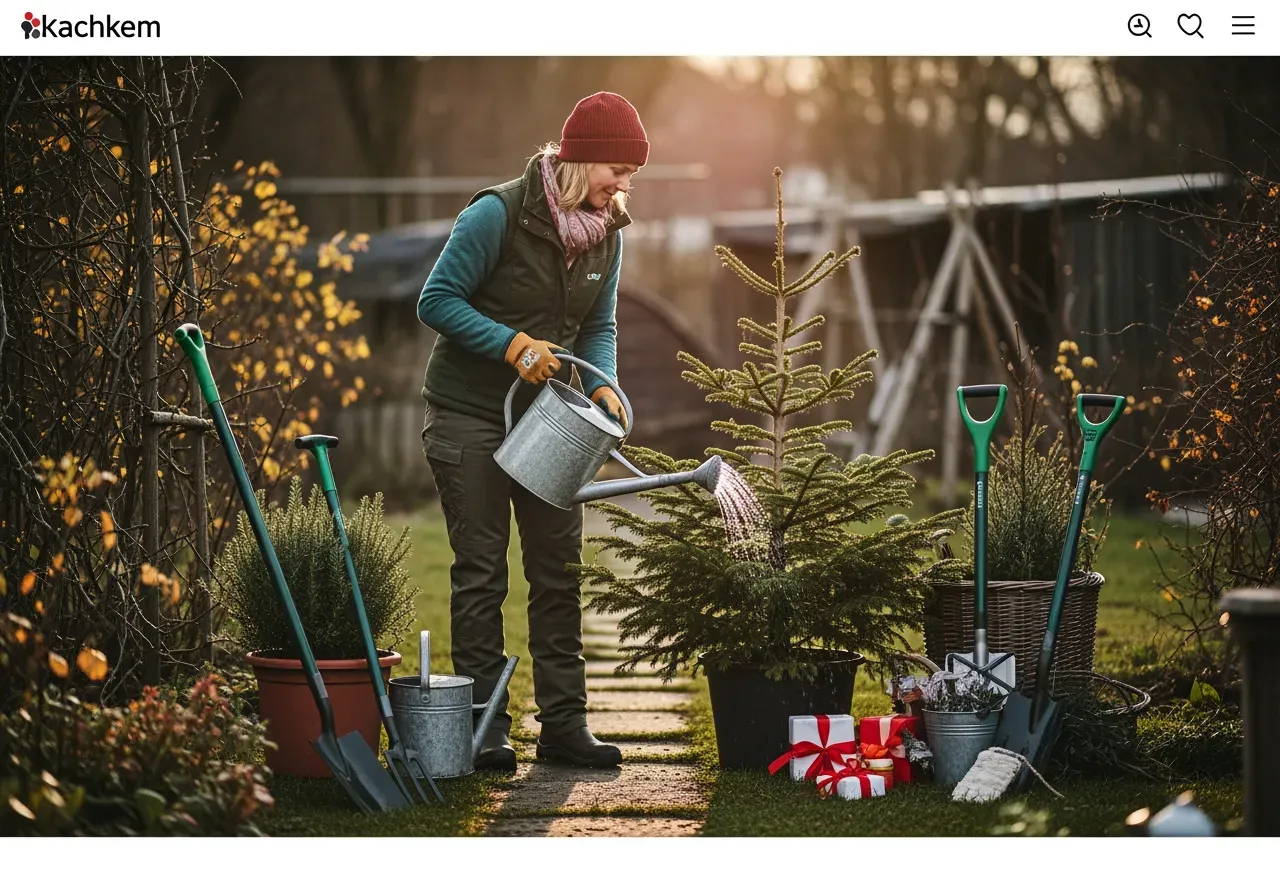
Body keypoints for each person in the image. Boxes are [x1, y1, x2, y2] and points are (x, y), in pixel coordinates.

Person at [416, 92, 646, 770]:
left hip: (550, 417)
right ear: (581, 159)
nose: (624, 187)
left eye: (632, 176)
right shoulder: (499, 213)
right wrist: (512, 344)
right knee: (483, 572)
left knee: (557, 572)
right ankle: (486, 728)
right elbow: (436, 300)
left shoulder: (609, 230)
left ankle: (565, 727)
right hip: (470, 414)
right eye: (618, 170)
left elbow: (598, 326)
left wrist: (601, 383)